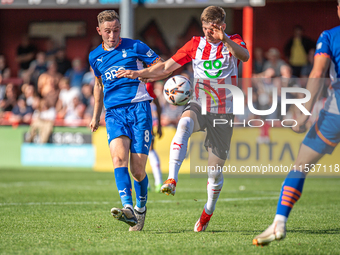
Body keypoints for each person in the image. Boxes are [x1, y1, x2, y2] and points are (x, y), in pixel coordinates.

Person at [118, 6, 249, 232]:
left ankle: (207, 211)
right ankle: (172, 179)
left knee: (214, 172)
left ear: (223, 26)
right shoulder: (195, 45)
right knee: (184, 123)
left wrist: (224, 38)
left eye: (214, 28)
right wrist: (139, 74)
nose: (209, 33)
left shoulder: (234, 42)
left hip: (223, 112)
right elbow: (167, 67)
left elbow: (244, 56)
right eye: (206, 28)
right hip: (199, 103)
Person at [253, 1, 340, 246]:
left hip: (336, 112)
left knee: (300, 164)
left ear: (338, 9)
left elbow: (317, 74)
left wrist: (303, 112)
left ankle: (279, 222)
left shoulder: (330, 36)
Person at [89, 10, 165, 231]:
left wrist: (138, 74)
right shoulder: (95, 56)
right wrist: (95, 115)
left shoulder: (135, 46)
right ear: (99, 31)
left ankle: (140, 210)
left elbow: (162, 65)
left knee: (138, 171)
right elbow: (98, 84)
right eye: (107, 32)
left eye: (116, 30)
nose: (112, 36)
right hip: (114, 113)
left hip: (140, 109)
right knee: (118, 158)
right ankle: (128, 208)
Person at [146, 82, 163, 192]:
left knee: (150, 149)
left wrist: (159, 125)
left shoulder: (147, 85)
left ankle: (158, 181)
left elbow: (156, 103)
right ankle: (145, 183)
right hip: (130, 121)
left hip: (145, 122)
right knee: (135, 153)